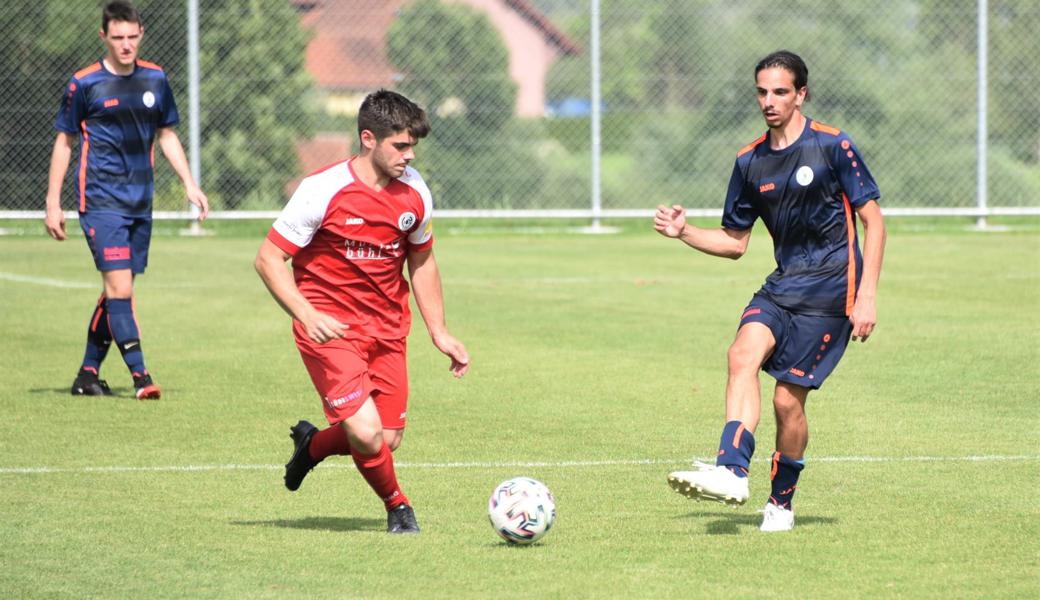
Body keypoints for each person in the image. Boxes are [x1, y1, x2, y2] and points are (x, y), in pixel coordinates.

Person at [654, 50, 885, 532]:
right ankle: (733, 469)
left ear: (801, 94)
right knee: (741, 355)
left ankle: (781, 502)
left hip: (832, 290)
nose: (769, 101)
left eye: (780, 91)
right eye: (762, 92)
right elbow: (735, 243)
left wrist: (867, 294)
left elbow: (874, 222)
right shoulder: (749, 161)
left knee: (786, 401)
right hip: (782, 285)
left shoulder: (832, 145)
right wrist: (685, 233)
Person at [254, 89, 470, 534]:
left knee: (386, 439)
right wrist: (305, 314)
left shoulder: (415, 193)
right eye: (401, 146)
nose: (409, 156)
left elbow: (422, 260)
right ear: (368, 138)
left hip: (388, 329)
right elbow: (268, 259)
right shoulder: (322, 190)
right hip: (331, 330)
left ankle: (312, 447)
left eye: (413, 146)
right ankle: (399, 507)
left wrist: (440, 331)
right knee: (368, 434)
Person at [44, 0, 209, 400]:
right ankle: (141, 376)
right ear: (104, 36)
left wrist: (189, 183)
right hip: (101, 201)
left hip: (141, 202)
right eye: (117, 37)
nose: (125, 45)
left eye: (132, 37)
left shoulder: (155, 79)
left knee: (118, 291)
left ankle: (87, 374)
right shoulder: (84, 83)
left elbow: (166, 135)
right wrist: (53, 200)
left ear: (141, 34)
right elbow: (65, 141)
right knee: (120, 291)